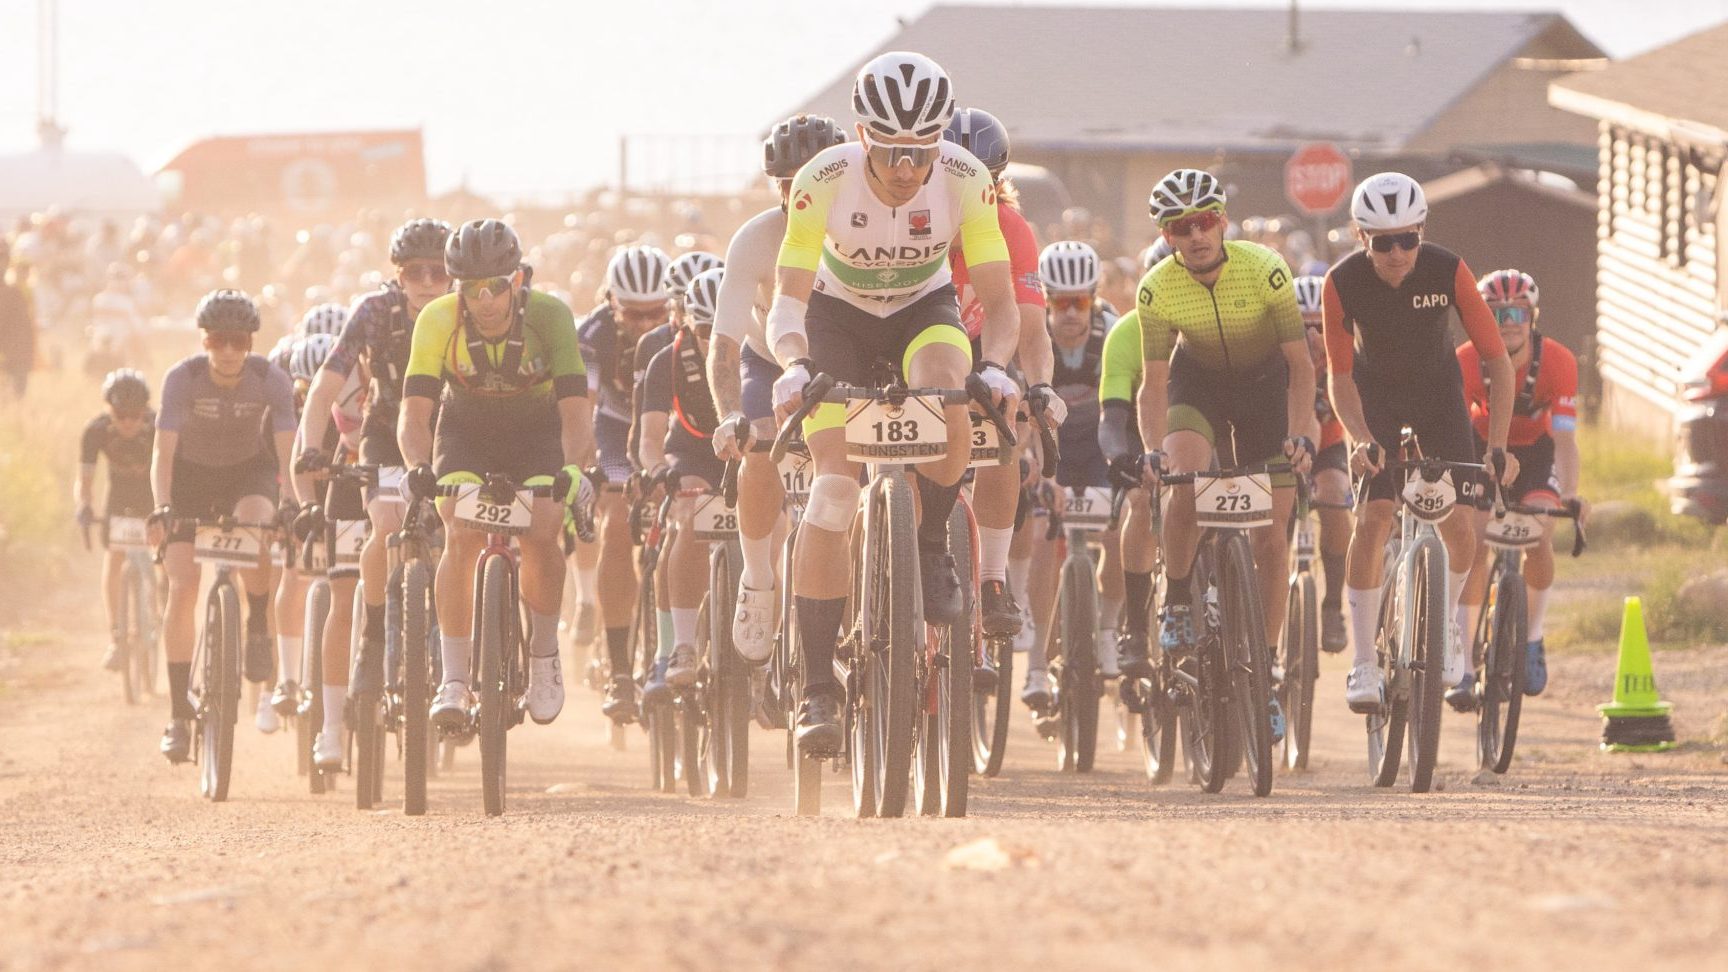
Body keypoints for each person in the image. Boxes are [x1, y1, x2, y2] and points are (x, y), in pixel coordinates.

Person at [768, 51, 1021, 751]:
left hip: (921, 307)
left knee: (951, 389)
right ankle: (818, 688)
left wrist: (996, 367)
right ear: (860, 134)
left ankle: (933, 538)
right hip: (835, 316)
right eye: (889, 151)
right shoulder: (822, 179)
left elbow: (999, 305)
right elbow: (788, 298)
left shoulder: (966, 178)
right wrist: (793, 362)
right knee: (833, 492)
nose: (907, 168)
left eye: (920, 151)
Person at [1322, 172, 1519, 712]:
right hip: (1373, 398)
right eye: (1383, 241)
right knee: (1375, 515)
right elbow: (1338, 379)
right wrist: (1359, 439)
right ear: (1362, 237)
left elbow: (1497, 363)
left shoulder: (1448, 269)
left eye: (1408, 238)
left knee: (1458, 524)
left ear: (1422, 232)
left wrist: (1496, 446)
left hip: (1437, 394)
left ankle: (1449, 627)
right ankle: (1363, 663)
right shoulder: (1341, 281)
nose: (1397, 252)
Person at [1131, 169, 1316, 723]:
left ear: (1223, 221)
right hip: (1199, 386)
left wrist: (1301, 433)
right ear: (1167, 235)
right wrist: (1153, 451)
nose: (1197, 235)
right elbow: (1155, 382)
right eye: (1182, 227)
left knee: (1272, 542)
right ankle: (1180, 598)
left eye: (1206, 220)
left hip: (1266, 390)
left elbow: (1301, 366)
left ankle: (1268, 669)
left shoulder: (1266, 270)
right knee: (1184, 484)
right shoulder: (1155, 287)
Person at [397, 219, 594, 730]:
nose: (485, 301)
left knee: (542, 529)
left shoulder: (551, 316)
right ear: (455, 287)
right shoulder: (438, 320)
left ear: (518, 280)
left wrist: (573, 470)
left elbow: (575, 413)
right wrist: (418, 467)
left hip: (535, 431)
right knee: (458, 531)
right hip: (465, 428)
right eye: (471, 289)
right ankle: (455, 679)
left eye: (496, 287)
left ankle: (545, 654)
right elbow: (415, 413)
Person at [294, 218, 453, 710]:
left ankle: (460, 651)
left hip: (451, 434)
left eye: (438, 273)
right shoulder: (373, 312)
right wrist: (308, 452)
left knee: (460, 533)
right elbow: (325, 386)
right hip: (384, 432)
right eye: (414, 273)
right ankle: (375, 634)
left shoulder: (465, 312)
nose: (427, 283)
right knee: (385, 522)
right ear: (397, 275)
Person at [709, 113, 848, 666]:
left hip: (837, 366)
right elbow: (722, 345)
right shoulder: (757, 239)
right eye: (789, 185)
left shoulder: (861, 231)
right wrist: (728, 416)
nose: (802, 193)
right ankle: (759, 580)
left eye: (816, 178)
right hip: (767, 363)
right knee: (759, 444)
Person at [147, 290, 297, 763]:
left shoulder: (270, 378)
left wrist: (292, 502)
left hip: (246, 474)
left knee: (259, 527)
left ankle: (256, 621)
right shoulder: (182, 378)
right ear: (205, 341)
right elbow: (162, 453)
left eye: (237, 341)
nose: (228, 351)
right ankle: (177, 714)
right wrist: (163, 506)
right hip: (191, 478)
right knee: (183, 583)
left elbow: (288, 449)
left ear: (250, 341)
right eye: (218, 341)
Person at [943, 107, 1064, 641]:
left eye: (983, 182)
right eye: (953, 177)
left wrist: (1040, 386)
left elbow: (1033, 331)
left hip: (980, 344)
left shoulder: (1011, 228)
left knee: (1003, 417)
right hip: (902, 345)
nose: (968, 191)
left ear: (997, 182)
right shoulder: (904, 218)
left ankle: (992, 578)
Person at [1455, 269, 1584, 704]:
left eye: (1517, 313)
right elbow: (1454, 426)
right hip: (1479, 446)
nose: (1508, 321)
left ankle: (1531, 636)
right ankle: (1464, 663)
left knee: (1539, 532)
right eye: (1496, 313)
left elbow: (1565, 440)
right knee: (1472, 543)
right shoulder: (1465, 361)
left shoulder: (1560, 362)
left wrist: (1569, 495)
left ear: (1532, 317)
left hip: (1535, 454)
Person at [1019, 241, 1118, 709]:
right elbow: (1022, 414)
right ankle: (1036, 663)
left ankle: (1108, 629)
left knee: (1121, 525)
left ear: (1094, 298)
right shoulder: (1031, 333)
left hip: (1101, 446)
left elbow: (1130, 409)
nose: (1070, 314)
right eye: (1059, 303)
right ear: (1046, 302)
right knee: (1041, 537)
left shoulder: (1113, 332)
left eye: (1080, 302)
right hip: (1050, 445)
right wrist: (1039, 468)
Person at [576, 244, 672, 723]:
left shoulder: (684, 326)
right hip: (613, 430)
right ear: (612, 303)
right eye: (634, 314)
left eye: (657, 312)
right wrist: (586, 466)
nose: (646, 324)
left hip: (670, 426)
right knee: (616, 522)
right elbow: (583, 404)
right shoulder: (592, 335)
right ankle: (619, 669)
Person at [637, 269, 727, 699]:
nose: (715, 338)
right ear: (686, 323)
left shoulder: (758, 351)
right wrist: (658, 473)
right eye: (706, 329)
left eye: (725, 325)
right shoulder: (665, 359)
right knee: (690, 516)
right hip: (690, 454)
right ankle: (682, 646)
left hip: (748, 453)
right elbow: (650, 440)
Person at [77, 369, 157, 671]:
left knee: (162, 555)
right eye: (121, 415)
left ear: (145, 412)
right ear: (109, 409)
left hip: (151, 494)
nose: (128, 423)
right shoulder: (95, 430)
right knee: (114, 559)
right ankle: (117, 636)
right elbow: (85, 478)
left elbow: (175, 473)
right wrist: (84, 505)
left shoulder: (158, 426)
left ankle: (160, 598)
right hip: (119, 494)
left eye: (135, 416)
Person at [1292, 274, 1351, 652]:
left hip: (1329, 445)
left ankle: (1332, 606)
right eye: (1304, 325)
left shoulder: (1343, 354)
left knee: (1333, 498)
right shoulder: (1276, 354)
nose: (1314, 334)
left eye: (1320, 324)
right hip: (1283, 446)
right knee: (1273, 516)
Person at [0, 239, 36, 397]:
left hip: (14, 356)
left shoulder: (15, 292)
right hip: (13, 355)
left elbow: (24, 328)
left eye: (3, 257)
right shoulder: (13, 292)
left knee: (14, 397)